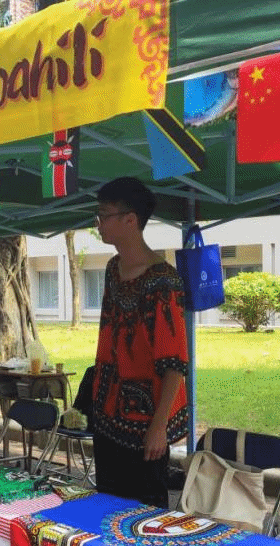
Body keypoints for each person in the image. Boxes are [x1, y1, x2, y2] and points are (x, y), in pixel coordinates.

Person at [91, 177, 189, 508]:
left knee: (145, 516)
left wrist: (159, 427)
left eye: (104, 215)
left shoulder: (164, 280)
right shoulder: (112, 268)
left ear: (130, 220)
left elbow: (174, 362)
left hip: (146, 423)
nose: (99, 223)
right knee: (106, 509)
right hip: (106, 415)